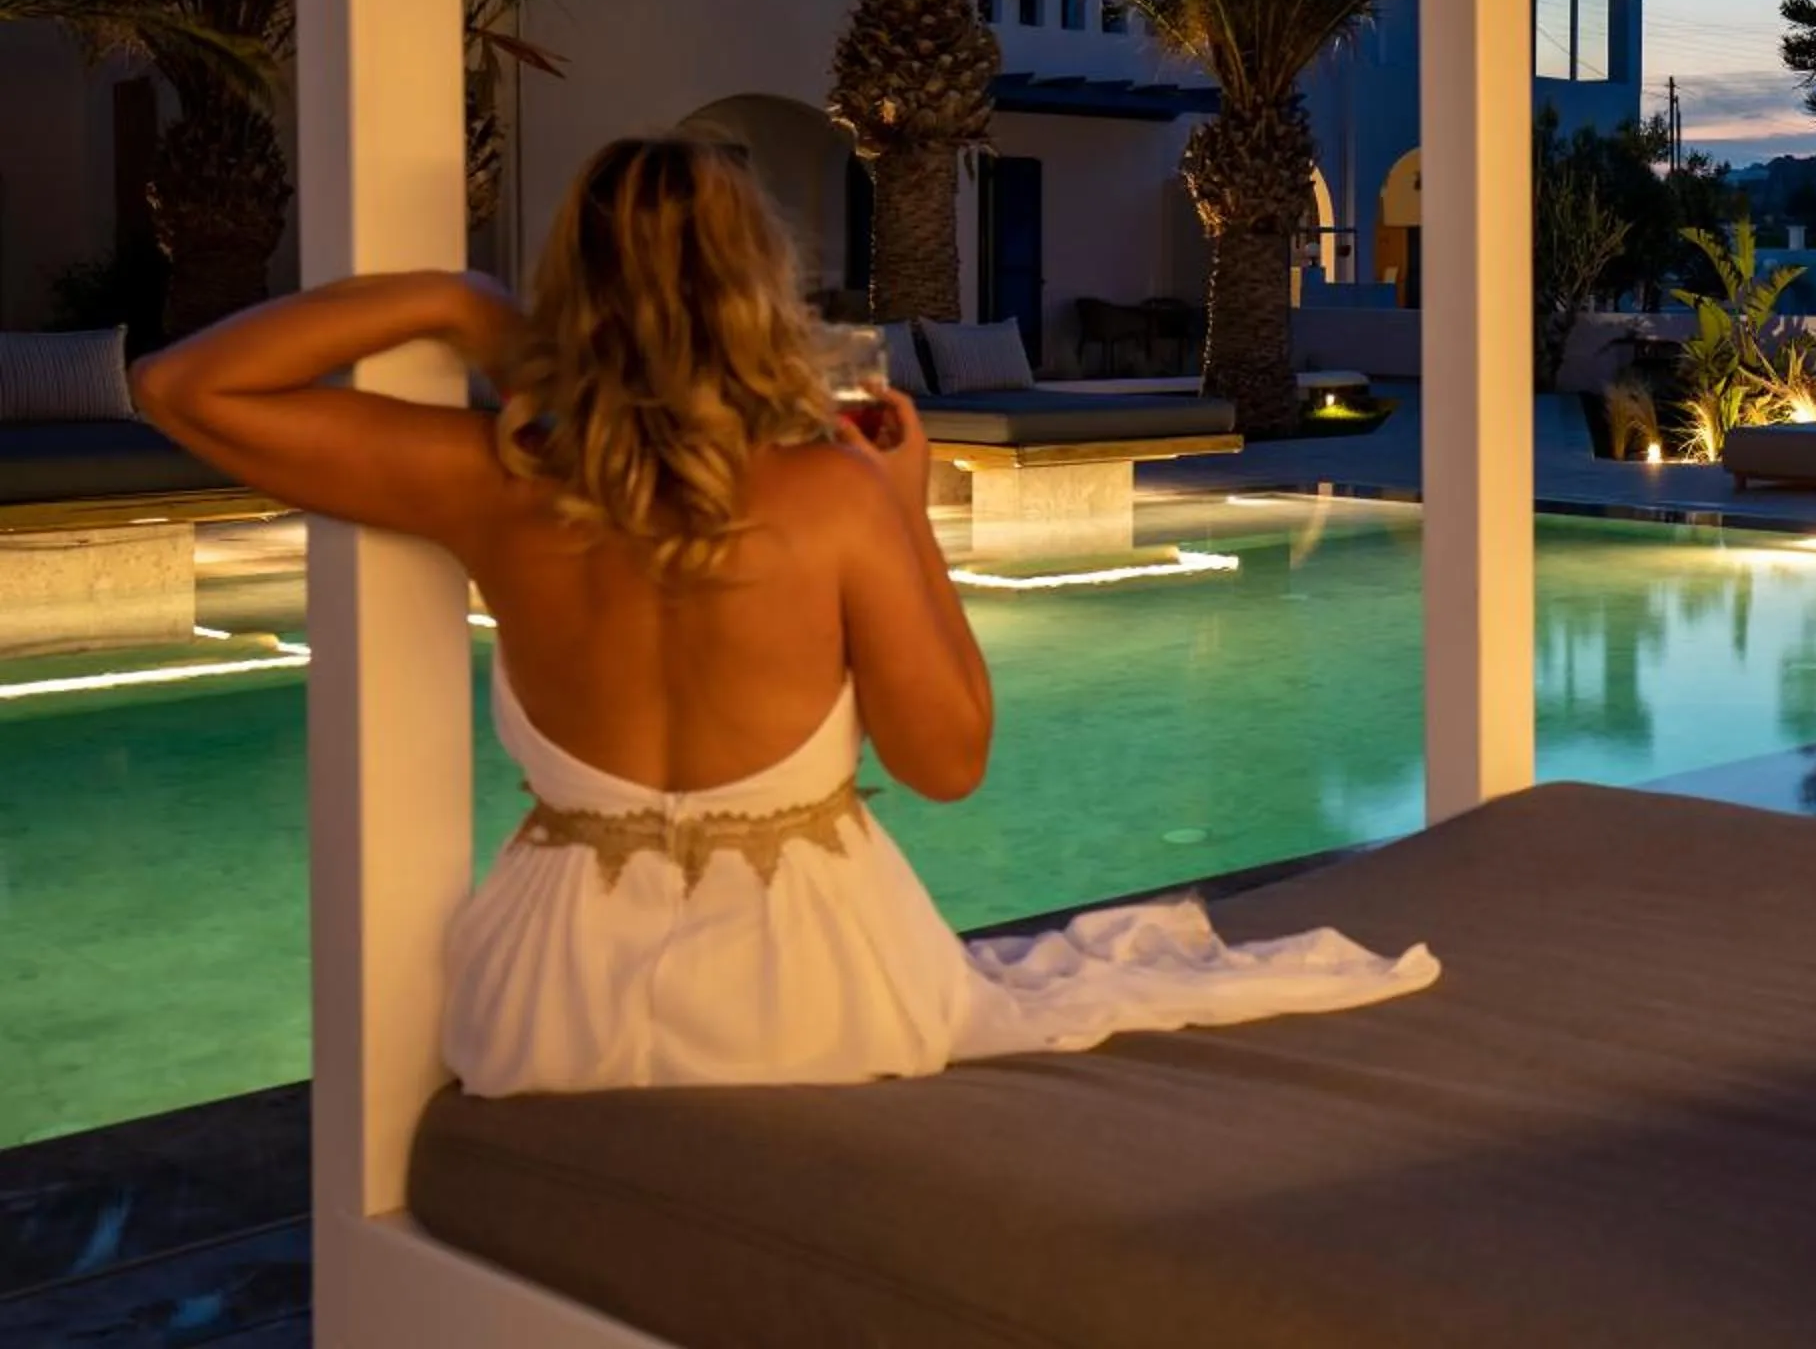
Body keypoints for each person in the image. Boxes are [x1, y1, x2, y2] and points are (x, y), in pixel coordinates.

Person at [133, 135, 1433, 1096]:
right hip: (802, 994)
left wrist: (451, 299)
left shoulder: (497, 482)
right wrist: (907, 514)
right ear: (758, 289)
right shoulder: (831, 495)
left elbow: (187, 388)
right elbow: (949, 764)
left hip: (549, 1003)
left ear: (567, 289)